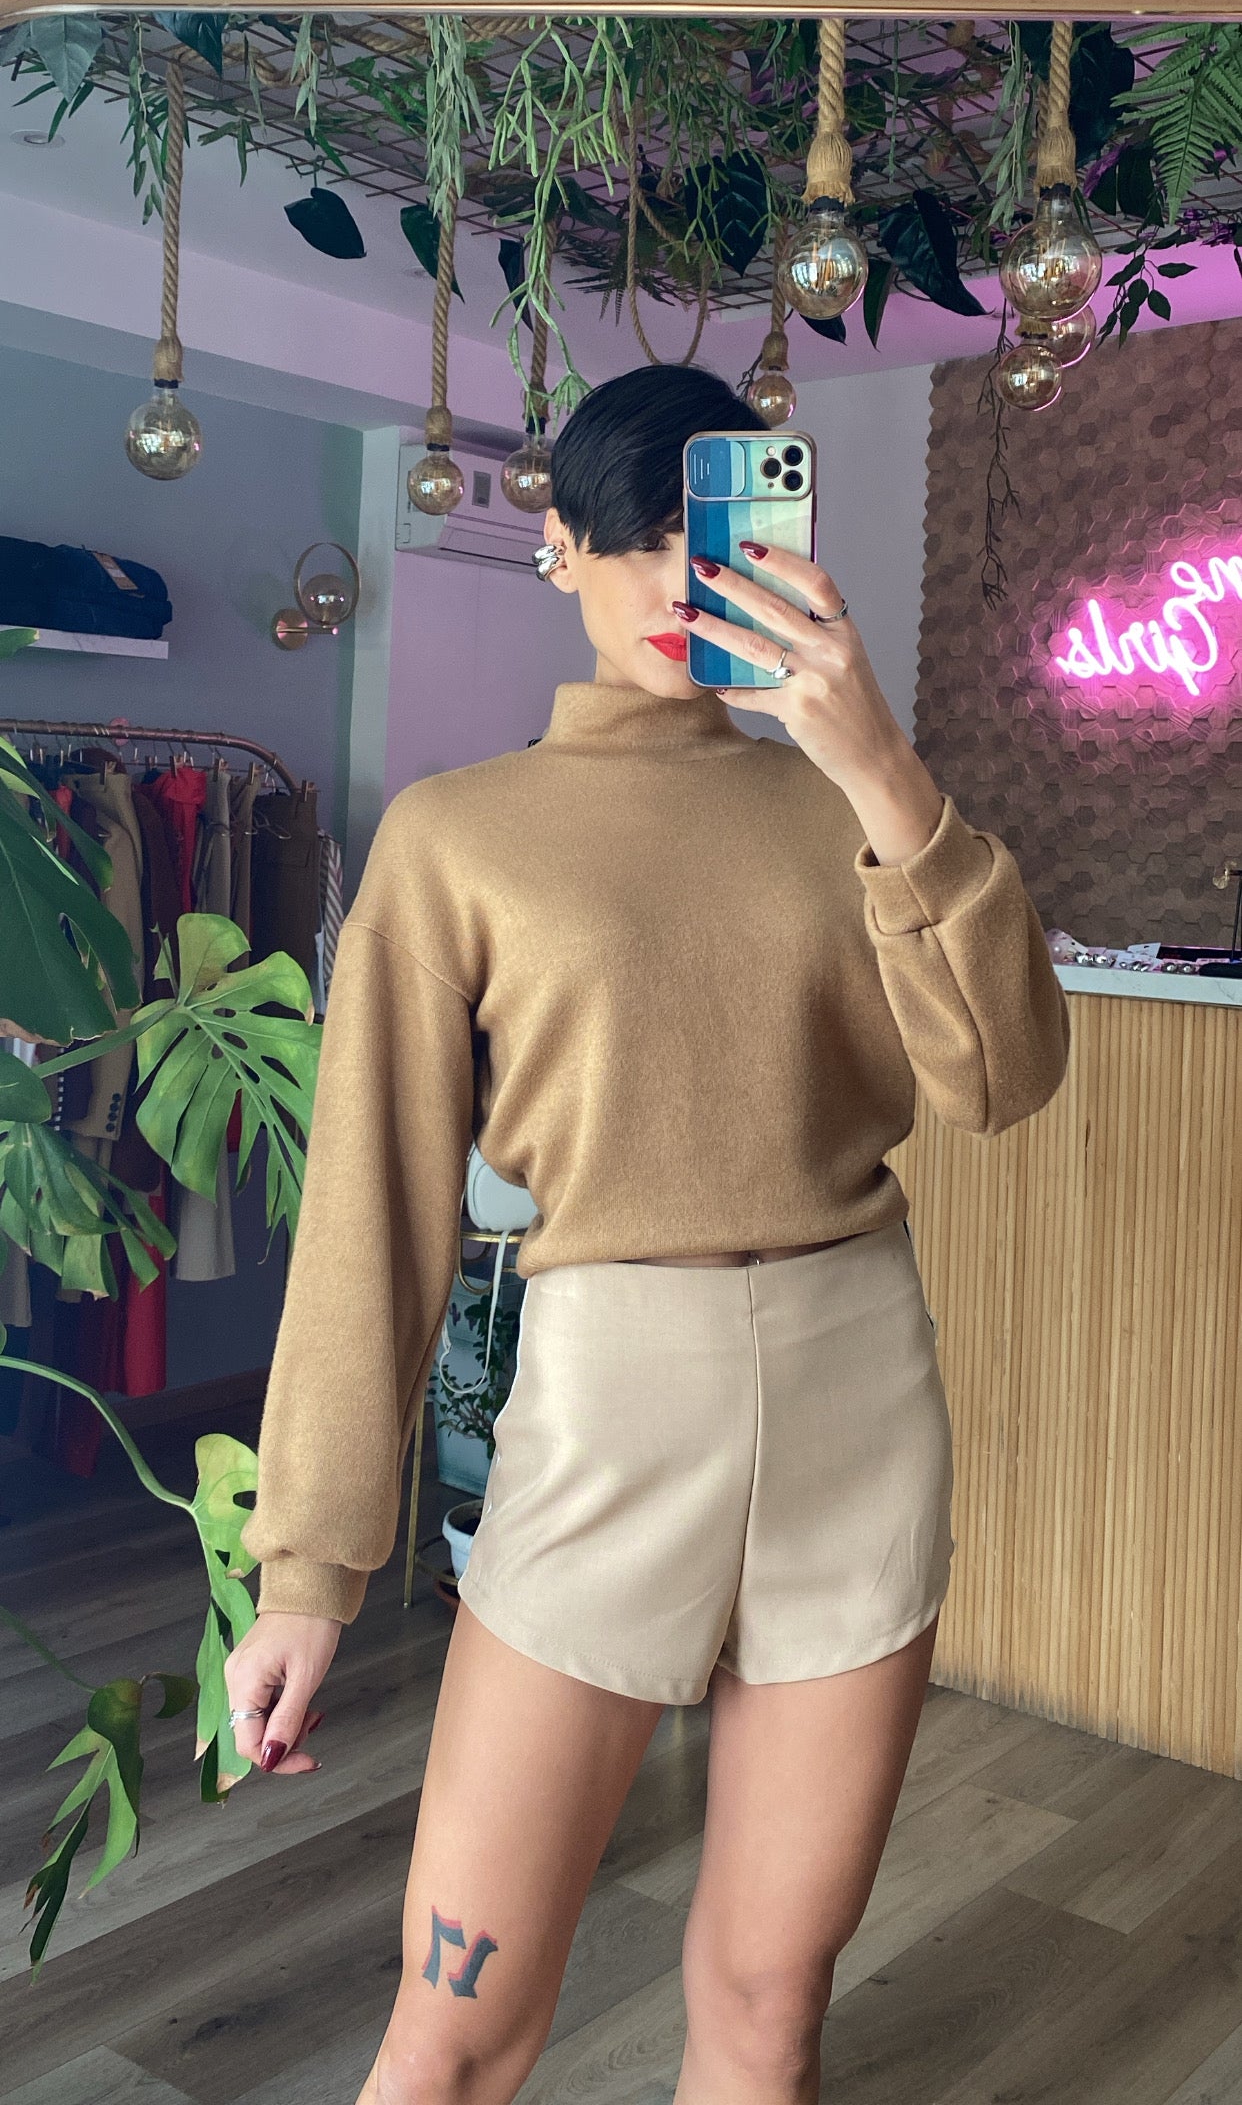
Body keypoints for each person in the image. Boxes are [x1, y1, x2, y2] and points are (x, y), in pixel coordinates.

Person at [226, 363, 1070, 2105]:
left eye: (725, 532)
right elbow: (373, 1206)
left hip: (859, 1412)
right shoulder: (457, 835)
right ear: (562, 543)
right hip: (607, 1413)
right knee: (453, 2033)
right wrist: (307, 1568)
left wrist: (878, 763)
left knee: (769, 2011)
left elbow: (1002, 1083)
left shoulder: (855, 807)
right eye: (648, 534)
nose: (691, 578)